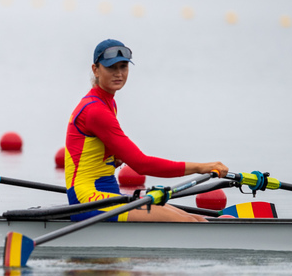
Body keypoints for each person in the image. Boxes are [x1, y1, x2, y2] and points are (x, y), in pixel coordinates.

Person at [64, 39, 228, 222]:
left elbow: (91, 148)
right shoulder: (95, 110)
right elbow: (142, 164)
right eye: (111, 68)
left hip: (107, 194)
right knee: (186, 222)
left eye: (123, 67)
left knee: (196, 219)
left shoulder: (106, 102)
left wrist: (112, 156)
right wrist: (201, 167)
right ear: (95, 70)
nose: (118, 73)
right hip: (87, 200)